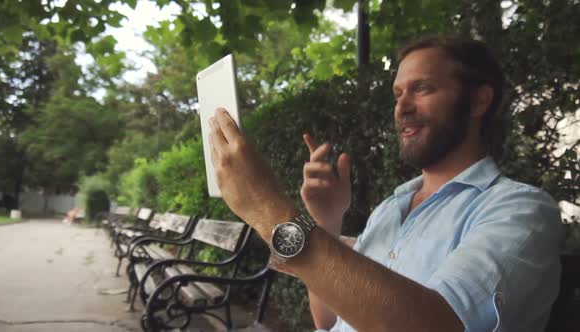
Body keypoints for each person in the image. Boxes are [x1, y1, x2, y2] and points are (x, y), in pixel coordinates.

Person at [207, 36, 563, 332]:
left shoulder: (520, 211)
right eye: (397, 93)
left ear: (478, 101)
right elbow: (328, 320)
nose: (402, 106)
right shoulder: (391, 208)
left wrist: (268, 211)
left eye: (422, 88)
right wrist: (325, 222)